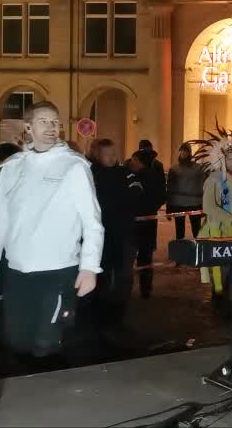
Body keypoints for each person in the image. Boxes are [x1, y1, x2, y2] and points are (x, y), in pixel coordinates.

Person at [0, 101, 103, 360]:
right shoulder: (12, 168)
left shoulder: (74, 167)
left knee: (47, 342)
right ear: (28, 127)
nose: (51, 127)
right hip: (18, 272)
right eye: (44, 121)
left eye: (55, 122)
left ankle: (62, 389)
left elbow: (92, 222)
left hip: (58, 270)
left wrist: (89, 268)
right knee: (18, 339)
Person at [192, 127, 232, 313]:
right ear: (224, 159)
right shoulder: (214, 179)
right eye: (230, 159)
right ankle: (218, 300)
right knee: (218, 270)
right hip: (217, 230)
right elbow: (208, 207)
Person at [91, 139, 142, 328]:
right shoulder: (91, 174)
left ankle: (120, 308)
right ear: (98, 155)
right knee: (101, 271)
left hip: (125, 232)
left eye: (114, 153)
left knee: (124, 273)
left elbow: (137, 192)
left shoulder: (125, 173)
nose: (112, 157)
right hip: (101, 234)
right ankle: (99, 306)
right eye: (107, 154)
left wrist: (120, 201)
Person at [128, 149, 166, 299]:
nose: (132, 162)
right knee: (146, 257)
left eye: (134, 160)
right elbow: (163, 196)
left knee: (131, 256)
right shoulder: (155, 176)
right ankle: (146, 290)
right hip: (149, 221)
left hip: (135, 222)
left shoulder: (134, 176)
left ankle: (129, 288)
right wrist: (152, 208)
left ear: (140, 161)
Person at [166, 143, 206, 240]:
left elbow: (203, 185)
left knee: (196, 229)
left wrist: (204, 204)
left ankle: (199, 249)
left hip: (194, 203)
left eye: (186, 151)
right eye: (182, 150)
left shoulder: (198, 168)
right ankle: (181, 251)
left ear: (189, 153)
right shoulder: (173, 169)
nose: (183, 153)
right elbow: (170, 188)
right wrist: (169, 206)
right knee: (180, 230)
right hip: (178, 203)